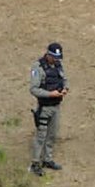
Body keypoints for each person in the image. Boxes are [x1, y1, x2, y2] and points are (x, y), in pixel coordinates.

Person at [28, 42, 68, 176]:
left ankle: (47, 159)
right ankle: (35, 163)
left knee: (52, 134)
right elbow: (33, 89)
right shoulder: (38, 67)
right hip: (44, 107)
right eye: (54, 57)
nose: (56, 60)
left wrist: (65, 89)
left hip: (56, 106)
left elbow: (64, 79)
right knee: (41, 136)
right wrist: (50, 94)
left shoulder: (58, 66)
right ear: (48, 54)